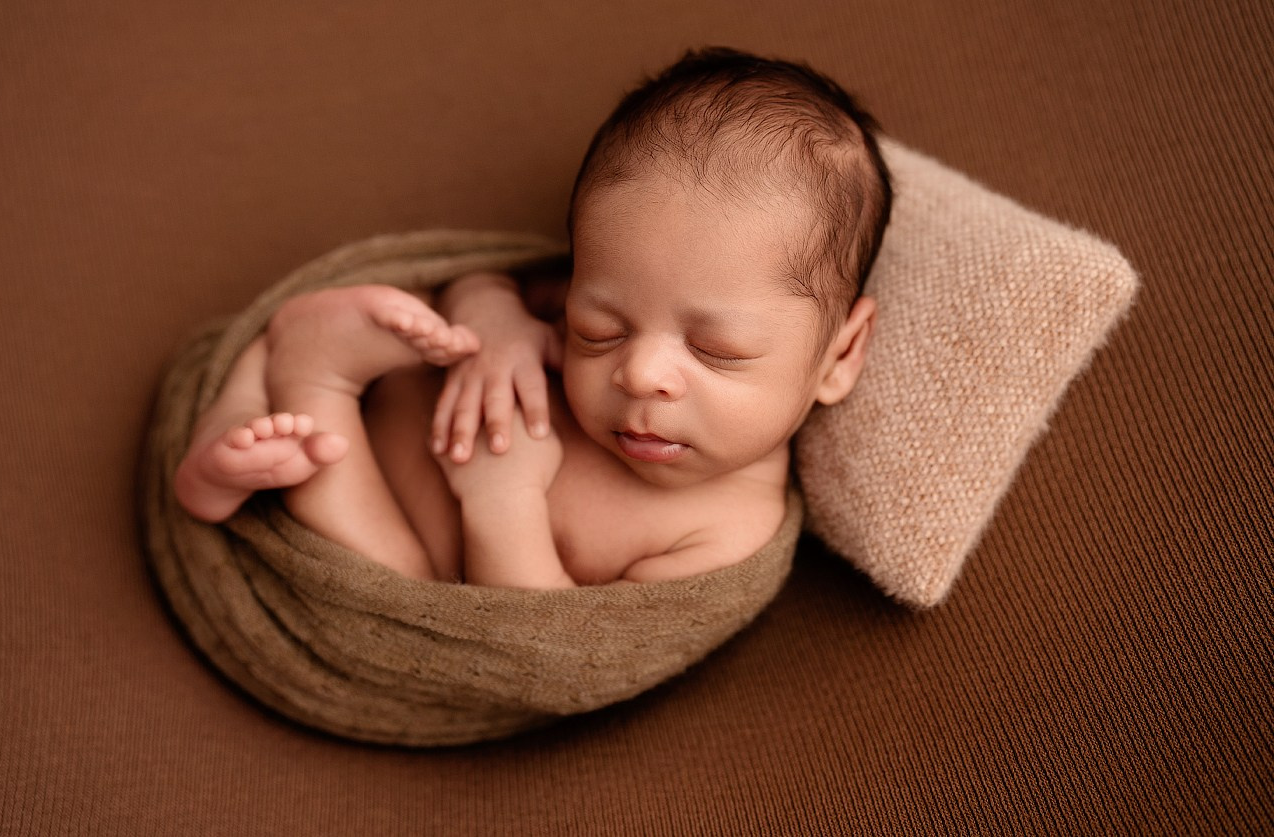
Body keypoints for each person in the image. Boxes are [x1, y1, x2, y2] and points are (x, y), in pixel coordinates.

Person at [173, 47, 893, 588]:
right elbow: (482, 277)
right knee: (261, 364)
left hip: (370, 510)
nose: (638, 370)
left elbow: (547, 650)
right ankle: (231, 432)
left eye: (716, 349)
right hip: (392, 385)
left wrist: (501, 500)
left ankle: (311, 384)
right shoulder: (579, 290)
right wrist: (495, 320)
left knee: (396, 570)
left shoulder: (727, 533)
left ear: (840, 354)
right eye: (598, 328)